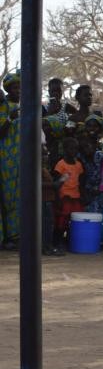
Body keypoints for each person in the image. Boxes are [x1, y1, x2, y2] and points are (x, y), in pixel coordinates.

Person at [53, 137, 85, 249]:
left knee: (75, 221)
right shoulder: (60, 165)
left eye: (76, 149)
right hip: (64, 197)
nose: (74, 151)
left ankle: (70, 242)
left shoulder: (78, 165)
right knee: (62, 221)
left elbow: (80, 182)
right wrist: (57, 199)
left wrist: (82, 196)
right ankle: (58, 242)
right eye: (71, 149)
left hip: (76, 197)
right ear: (65, 150)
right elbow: (56, 184)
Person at [0, 71, 21, 246]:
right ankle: (10, 236)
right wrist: (9, 119)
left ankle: (19, 234)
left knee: (22, 195)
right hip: (6, 158)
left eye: (20, 87)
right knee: (8, 197)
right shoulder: (4, 106)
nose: (18, 90)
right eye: (14, 87)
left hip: (22, 158)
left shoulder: (26, 105)